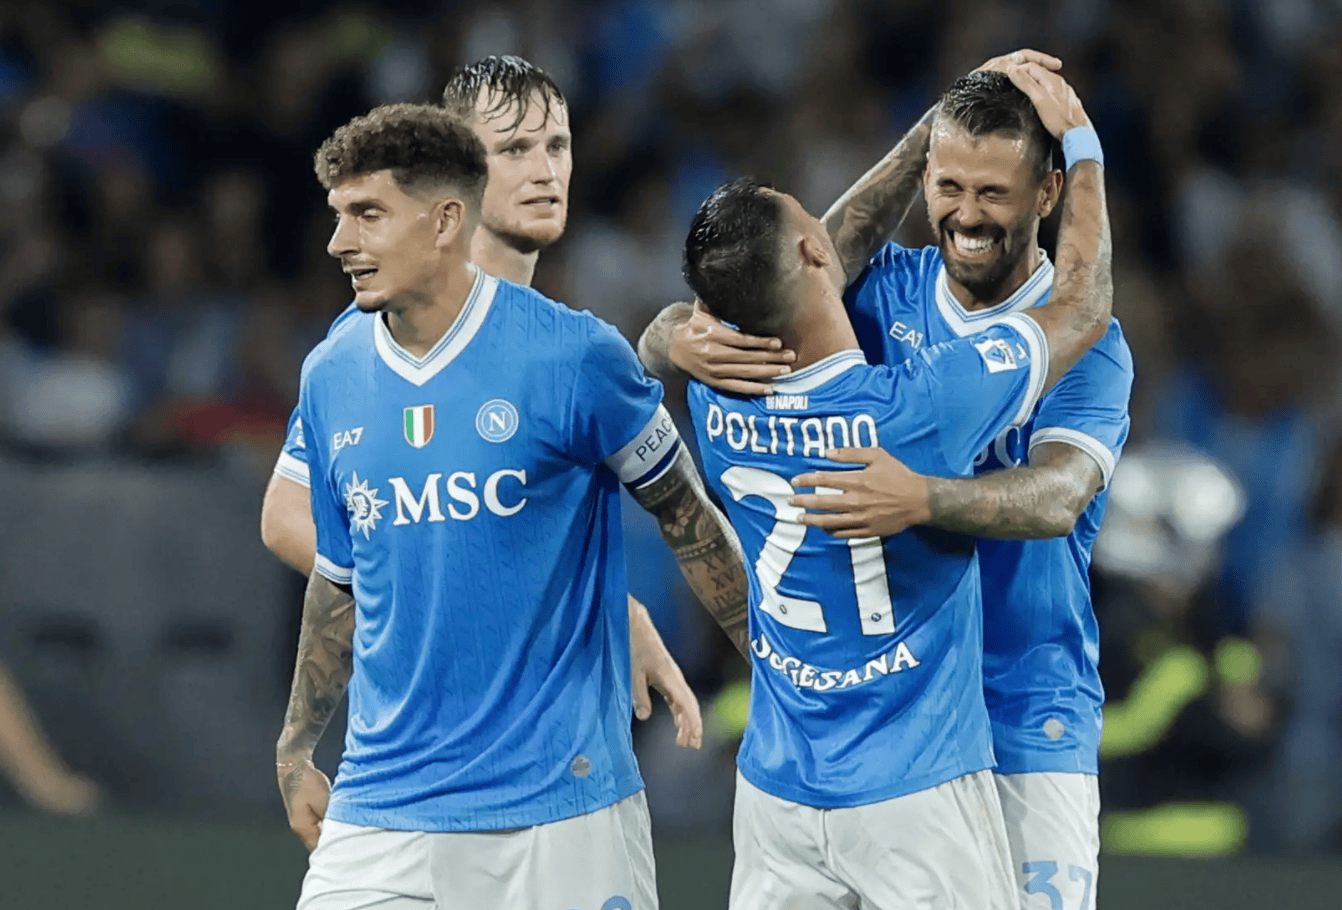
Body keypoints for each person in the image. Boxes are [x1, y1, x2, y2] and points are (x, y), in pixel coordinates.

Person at [643, 57, 1131, 909]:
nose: (966, 214)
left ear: (1047, 194)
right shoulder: (880, 292)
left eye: (993, 192)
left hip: (1023, 707)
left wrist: (927, 499)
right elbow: (783, 277)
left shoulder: (1095, 353)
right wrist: (671, 335)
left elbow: (1059, 495)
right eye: (949, 186)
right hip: (887, 722)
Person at [277, 103, 749, 909]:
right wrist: (296, 745)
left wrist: (786, 678)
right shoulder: (332, 373)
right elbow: (339, 577)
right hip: (379, 811)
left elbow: (693, 523)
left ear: (444, 220)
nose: (339, 242)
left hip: (558, 812)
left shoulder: (575, 356)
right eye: (338, 215)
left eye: (367, 214)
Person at [259, 57, 702, 754]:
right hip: (423, 737)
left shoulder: (563, 339)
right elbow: (286, 516)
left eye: (556, 147)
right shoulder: (382, 330)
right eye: (514, 150)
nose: (544, 172)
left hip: (556, 745)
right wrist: (470, 592)